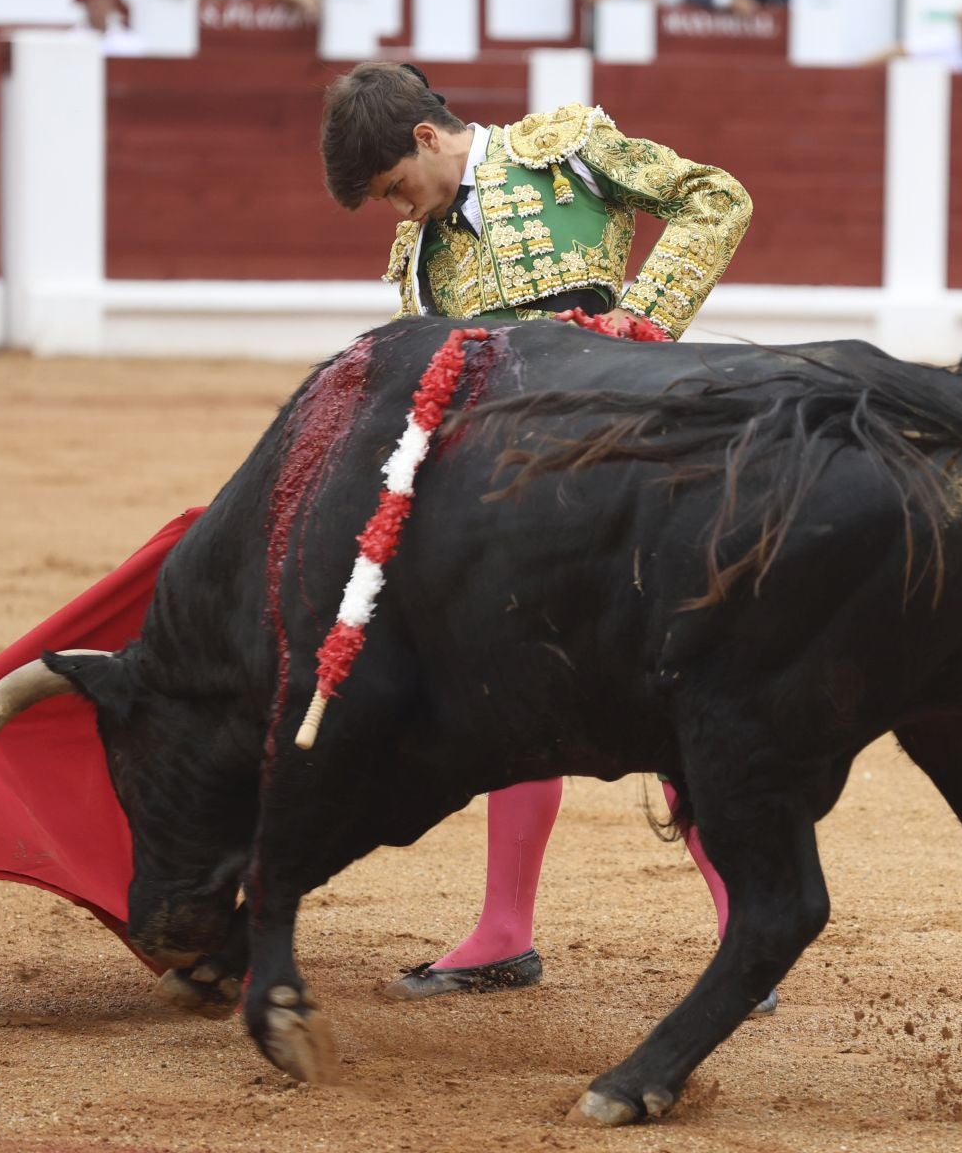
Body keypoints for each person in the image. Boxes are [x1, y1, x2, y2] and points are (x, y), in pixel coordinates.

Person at [318, 61, 759, 1003]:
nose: (400, 213)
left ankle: (748, 934)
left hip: (633, 462)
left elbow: (716, 198)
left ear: (427, 139)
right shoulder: (421, 256)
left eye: (396, 186)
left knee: (670, 686)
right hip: (514, 498)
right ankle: (504, 931)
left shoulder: (566, 152)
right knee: (512, 697)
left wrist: (643, 325)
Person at [72, 0, 146, 57]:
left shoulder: (131, 43)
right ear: (85, 5)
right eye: (93, 1)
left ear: (113, 5)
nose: (98, 6)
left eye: (103, 0)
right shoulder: (72, 40)